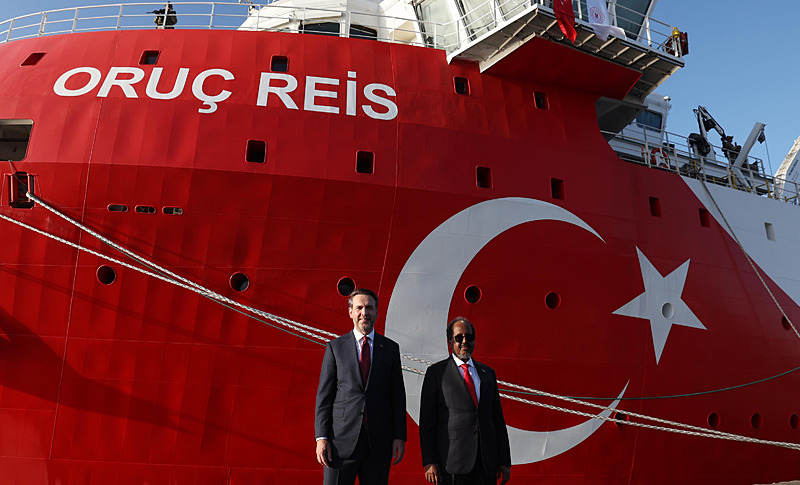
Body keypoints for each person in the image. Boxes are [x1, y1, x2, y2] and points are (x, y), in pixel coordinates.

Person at [315, 288, 407, 484]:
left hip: (378, 444)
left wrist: (399, 436)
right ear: (350, 312)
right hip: (339, 444)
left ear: (376, 312)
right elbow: (325, 397)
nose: (364, 313)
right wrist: (321, 438)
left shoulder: (390, 349)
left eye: (369, 308)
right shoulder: (335, 348)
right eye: (359, 308)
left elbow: (398, 397)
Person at [419, 317, 511, 485]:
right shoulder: (436, 373)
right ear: (450, 341)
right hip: (453, 463)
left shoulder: (488, 374)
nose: (464, 341)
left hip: (486, 463)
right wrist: (429, 461)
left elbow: (497, 419)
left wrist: (504, 461)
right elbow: (427, 422)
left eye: (469, 337)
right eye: (458, 337)